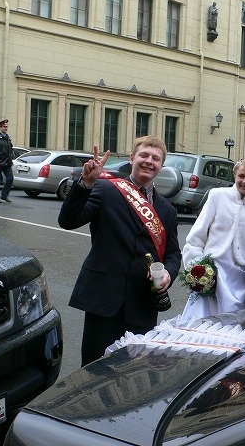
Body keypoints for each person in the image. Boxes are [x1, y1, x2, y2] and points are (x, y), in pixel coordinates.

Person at [58, 136, 182, 366]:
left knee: (135, 371)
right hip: (104, 299)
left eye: (156, 158)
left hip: (142, 303)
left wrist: (168, 273)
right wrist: (85, 184)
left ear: (161, 166)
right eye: (144, 155)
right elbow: (68, 221)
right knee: (95, 370)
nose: (149, 161)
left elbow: (173, 254)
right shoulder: (106, 189)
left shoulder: (167, 210)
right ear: (132, 158)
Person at [181, 158, 245, 320]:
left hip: (242, 275)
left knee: (237, 321)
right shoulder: (217, 195)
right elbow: (198, 233)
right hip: (214, 268)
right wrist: (196, 264)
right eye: (241, 176)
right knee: (205, 319)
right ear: (234, 176)